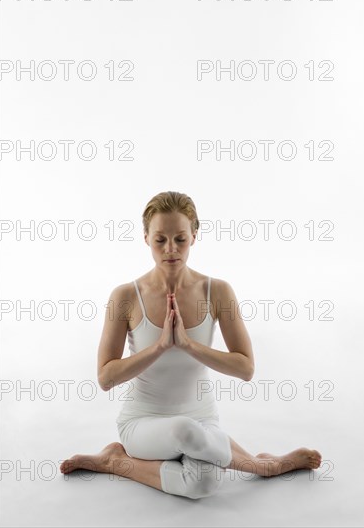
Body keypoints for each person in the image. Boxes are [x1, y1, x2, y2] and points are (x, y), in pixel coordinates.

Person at [60, 191, 322, 499]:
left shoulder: (218, 292)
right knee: (184, 430)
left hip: (203, 422)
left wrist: (187, 345)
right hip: (143, 423)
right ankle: (263, 466)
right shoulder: (125, 297)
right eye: (160, 240)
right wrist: (158, 347)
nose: (170, 249)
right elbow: (106, 377)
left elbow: (246, 368)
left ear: (194, 236)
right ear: (146, 238)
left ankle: (116, 462)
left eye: (180, 239)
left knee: (202, 483)